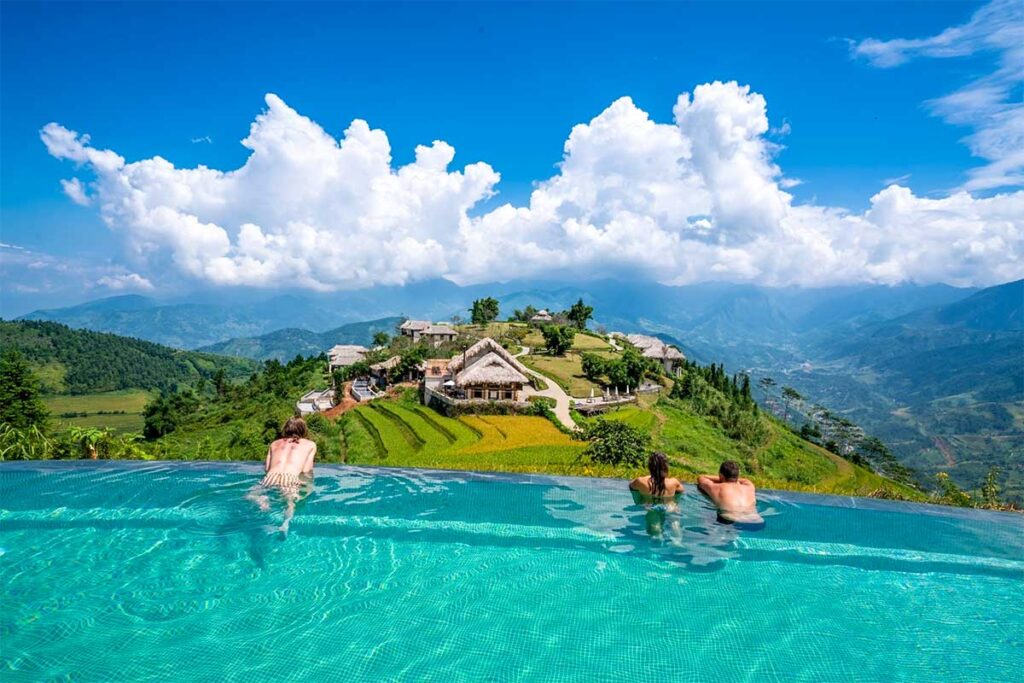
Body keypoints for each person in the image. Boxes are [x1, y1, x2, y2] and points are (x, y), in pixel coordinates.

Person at [249, 416, 317, 535]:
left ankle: (263, 503)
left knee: (251, 495)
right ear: (303, 430)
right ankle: (285, 524)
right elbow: (307, 470)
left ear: (286, 429)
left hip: (271, 477)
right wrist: (306, 487)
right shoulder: (310, 445)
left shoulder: (274, 443)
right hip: (290, 478)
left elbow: (267, 468)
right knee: (290, 502)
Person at [629, 452, 685, 542]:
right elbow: (680, 491)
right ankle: (677, 541)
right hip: (670, 507)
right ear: (666, 467)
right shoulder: (673, 482)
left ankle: (658, 540)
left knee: (655, 529)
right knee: (675, 524)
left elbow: (632, 487)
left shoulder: (641, 481)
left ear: (650, 467)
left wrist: (639, 501)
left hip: (651, 507)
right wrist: (675, 502)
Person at [697, 460, 763, 526]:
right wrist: (733, 478)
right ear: (738, 475)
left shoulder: (717, 487)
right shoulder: (749, 486)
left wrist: (722, 478)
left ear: (721, 475)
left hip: (728, 520)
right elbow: (745, 480)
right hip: (757, 522)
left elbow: (701, 478)